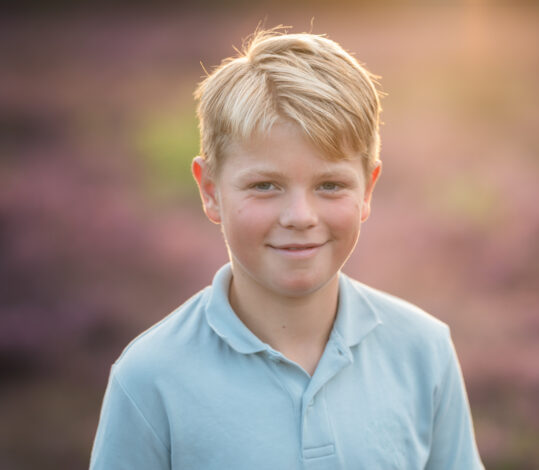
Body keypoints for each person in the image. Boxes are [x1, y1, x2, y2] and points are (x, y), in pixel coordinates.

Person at [90, 27, 484, 469]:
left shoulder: (423, 350)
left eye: (330, 185)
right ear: (210, 191)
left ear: (368, 189)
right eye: (265, 185)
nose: (300, 216)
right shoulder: (149, 378)